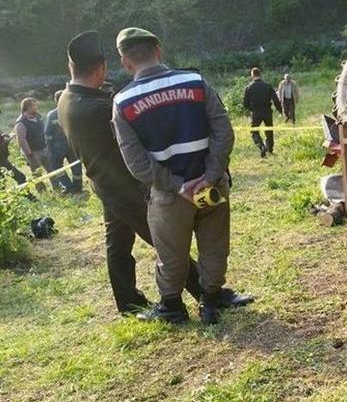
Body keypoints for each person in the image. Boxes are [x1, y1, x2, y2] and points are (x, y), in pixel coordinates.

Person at [57, 30, 253, 316]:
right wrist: (204, 175)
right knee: (172, 248)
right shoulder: (102, 105)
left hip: (111, 184)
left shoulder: (68, 99)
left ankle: (132, 301)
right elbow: (216, 131)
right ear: (158, 51)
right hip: (134, 188)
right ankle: (195, 297)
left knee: (121, 246)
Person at [112, 27, 238, 324]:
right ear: (159, 50)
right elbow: (224, 132)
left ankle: (172, 307)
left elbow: (136, 162)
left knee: (170, 255)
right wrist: (210, 175)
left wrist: (178, 186)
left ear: (125, 62)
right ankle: (210, 304)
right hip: (212, 188)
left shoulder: (123, 102)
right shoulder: (195, 82)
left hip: (169, 196)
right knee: (214, 245)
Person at [45, 90, 83, 194]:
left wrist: (49, 147)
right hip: (73, 144)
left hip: (58, 147)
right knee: (76, 166)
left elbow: (48, 133)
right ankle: (78, 187)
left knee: (56, 166)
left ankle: (68, 187)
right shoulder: (73, 112)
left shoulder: (52, 115)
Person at [242, 67, 281, 157]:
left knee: (254, 131)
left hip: (256, 112)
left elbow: (245, 103)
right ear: (260, 74)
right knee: (269, 130)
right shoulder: (268, 86)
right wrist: (280, 110)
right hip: (267, 111)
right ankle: (270, 149)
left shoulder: (248, 88)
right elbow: (275, 99)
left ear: (252, 75)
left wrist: (249, 111)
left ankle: (261, 146)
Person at [14, 98, 50, 187]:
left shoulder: (38, 117)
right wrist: (29, 154)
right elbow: (21, 140)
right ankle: (42, 192)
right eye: (34, 106)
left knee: (52, 170)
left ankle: (58, 188)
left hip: (45, 148)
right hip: (33, 153)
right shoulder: (21, 123)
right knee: (37, 174)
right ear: (28, 107)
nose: (36, 107)